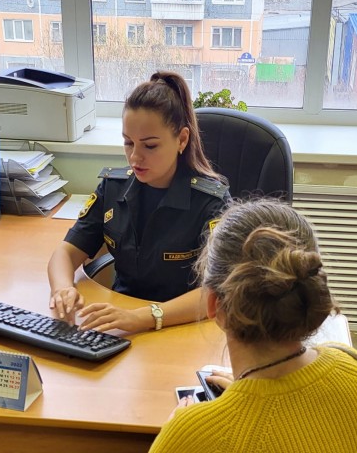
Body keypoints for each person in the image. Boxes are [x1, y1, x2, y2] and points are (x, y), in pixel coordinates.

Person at [145, 199, 357, 453]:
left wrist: (179, 435)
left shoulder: (197, 434)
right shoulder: (353, 365)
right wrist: (254, 396)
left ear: (214, 305)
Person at [48, 71, 230, 334]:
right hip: (121, 322)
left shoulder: (210, 202)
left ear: (181, 139)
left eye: (150, 146)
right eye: (128, 142)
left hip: (183, 328)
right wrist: (62, 288)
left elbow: (218, 291)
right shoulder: (113, 187)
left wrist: (143, 317)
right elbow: (65, 253)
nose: (135, 157)